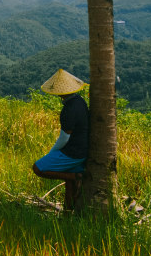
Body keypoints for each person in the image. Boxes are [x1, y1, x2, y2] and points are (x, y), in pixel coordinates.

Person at [32, 68, 89, 211]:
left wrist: (52, 152)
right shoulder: (80, 101)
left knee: (38, 168)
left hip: (73, 151)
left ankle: (75, 176)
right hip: (83, 149)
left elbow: (65, 137)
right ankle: (68, 211)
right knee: (69, 183)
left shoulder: (69, 109)